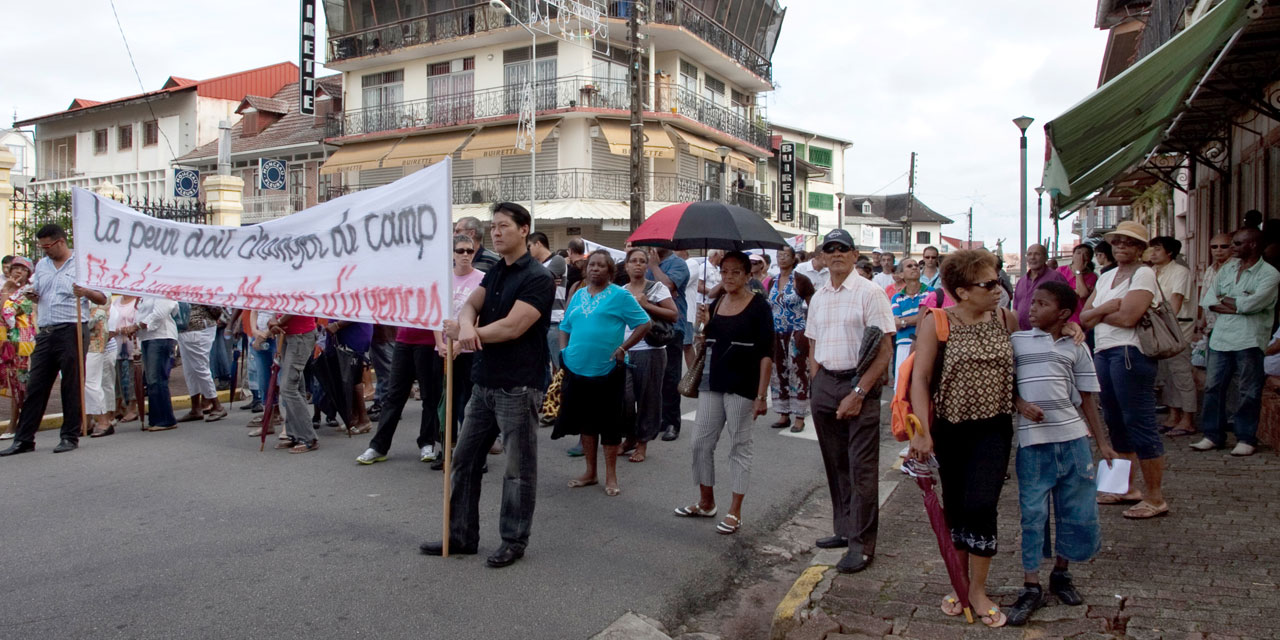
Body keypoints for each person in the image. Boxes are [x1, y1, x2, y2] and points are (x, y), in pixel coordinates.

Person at [425, 202, 553, 569]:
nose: (496, 233)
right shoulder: (495, 271)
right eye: (493, 226)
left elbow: (514, 327)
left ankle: (513, 540)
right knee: (463, 461)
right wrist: (466, 326)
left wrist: (470, 335)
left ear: (524, 230)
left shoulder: (538, 277)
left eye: (503, 226)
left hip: (518, 385)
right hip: (484, 382)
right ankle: (461, 535)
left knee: (517, 470)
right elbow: (469, 306)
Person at [908, 248, 1020, 628]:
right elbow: (921, 379)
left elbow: (1030, 353)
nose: (999, 288)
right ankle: (960, 584)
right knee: (956, 506)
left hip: (995, 427)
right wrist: (922, 433)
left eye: (999, 280)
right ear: (963, 291)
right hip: (951, 429)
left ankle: (978, 590)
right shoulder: (937, 322)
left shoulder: (1005, 318)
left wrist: (1068, 330)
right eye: (989, 284)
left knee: (982, 504)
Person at [1006, 281, 1118, 627]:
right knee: (1033, 514)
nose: (1032, 309)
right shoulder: (1017, 342)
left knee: (1075, 511)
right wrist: (1020, 404)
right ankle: (1031, 584)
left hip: (1073, 441)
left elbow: (1088, 398)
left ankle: (1061, 573)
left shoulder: (1076, 347)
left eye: (1042, 304)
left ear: (1064, 314)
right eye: (1033, 302)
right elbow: (1005, 384)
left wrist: (1102, 443)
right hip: (1033, 445)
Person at [805, 229, 896, 574]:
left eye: (843, 249)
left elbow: (884, 350)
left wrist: (859, 393)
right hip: (826, 382)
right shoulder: (819, 296)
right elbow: (813, 342)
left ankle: (862, 545)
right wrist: (816, 381)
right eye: (830, 249)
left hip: (858, 383)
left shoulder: (871, 293)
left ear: (855, 255)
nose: (836, 254)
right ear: (823, 257)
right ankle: (843, 530)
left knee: (861, 469)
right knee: (836, 463)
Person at [673, 251, 773, 536]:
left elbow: (767, 353)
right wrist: (703, 325)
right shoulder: (716, 303)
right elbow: (706, 341)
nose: (728, 277)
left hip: (743, 383)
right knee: (700, 442)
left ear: (748, 275)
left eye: (735, 272)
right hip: (712, 379)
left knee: (739, 445)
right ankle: (706, 502)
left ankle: (735, 511)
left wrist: (761, 396)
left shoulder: (759, 306)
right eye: (725, 271)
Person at [1079, 221, 1167, 519]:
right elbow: (1085, 317)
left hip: (1131, 352)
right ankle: (1122, 487)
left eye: (1128, 242)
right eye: (1117, 242)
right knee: (1115, 421)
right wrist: (1107, 309)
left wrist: (1098, 313)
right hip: (1105, 351)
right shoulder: (1106, 276)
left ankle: (1155, 496)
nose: (1121, 247)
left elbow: (1130, 317)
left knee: (1139, 421)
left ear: (1141, 248)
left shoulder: (1144, 274)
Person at [1, 225, 107, 456]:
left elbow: (102, 297)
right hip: (46, 330)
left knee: (71, 383)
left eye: (48, 246)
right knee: (36, 385)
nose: (45, 250)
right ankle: (24, 439)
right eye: (42, 247)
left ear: (60, 242)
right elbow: (39, 293)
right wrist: (33, 296)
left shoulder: (82, 264)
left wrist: (86, 292)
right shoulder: (42, 266)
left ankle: (69, 435)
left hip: (72, 328)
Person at [556, 250, 651, 496]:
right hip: (577, 369)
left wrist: (623, 348)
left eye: (601, 265)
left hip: (607, 370)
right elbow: (565, 326)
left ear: (610, 271)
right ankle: (590, 473)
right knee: (586, 423)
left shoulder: (620, 295)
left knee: (610, 425)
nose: (595, 269)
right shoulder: (578, 295)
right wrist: (563, 351)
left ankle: (611, 476)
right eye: (591, 265)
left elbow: (644, 323)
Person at [1192, 228, 1280, 457]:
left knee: (1248, 390)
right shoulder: (1228, 268)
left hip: (1249, 339)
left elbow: (1252, 304)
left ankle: (1246, 437)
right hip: (1220, 337)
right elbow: (1209, 300)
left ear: (1253, 245)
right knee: (1213, 387)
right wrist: (1237, 304)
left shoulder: (1269, 273)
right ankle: (1212, 434)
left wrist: (1232, 303)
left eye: (1237, 244)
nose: (1232, 248)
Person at [429, 234, 487, 470]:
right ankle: (446, 450)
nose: (465, 255)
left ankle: (475, 455)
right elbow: (435, 314)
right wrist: (441, 344)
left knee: (471, 404)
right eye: (460, 251)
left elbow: (480, 316)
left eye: (469, 251)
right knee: (445, 402)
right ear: (452, 253)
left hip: (469, 349)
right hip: (444, 349)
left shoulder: (481, 279)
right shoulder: (444, 279)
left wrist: (459, 345)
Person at [618, 248, 678, 463]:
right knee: (624, 398)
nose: (638, 264)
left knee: (648, 398)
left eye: (642, 261)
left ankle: (642, 442)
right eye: (633, 261)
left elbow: (673, 315)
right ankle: (630, 437)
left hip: (650, 350)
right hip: (625, 349)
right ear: (626, 266)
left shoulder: (657, 288)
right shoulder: (621, 291)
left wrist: (647, 305)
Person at [355, 318, 443, 464]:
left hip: (428, 341)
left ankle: (427, 442)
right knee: (393, 397)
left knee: (430, 396)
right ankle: (378, 446)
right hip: (403, 340)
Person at [1148, 237, 1197, 436]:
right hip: (1158, 331)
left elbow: (1176, 301)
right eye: (1152, 249)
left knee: (1181, 375)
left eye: (1157, 249)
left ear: (1169, 252)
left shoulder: (1180, 272)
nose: (1152, 253)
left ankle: (1188, 419)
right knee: (1166, 376)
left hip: (1177, 331)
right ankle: (1173, 415)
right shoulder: (1151, 272)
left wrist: (1166, 324)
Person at [767, 246, 815, 433]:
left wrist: (811, 330)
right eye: (779, 255)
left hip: (797, 331)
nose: (782, 258)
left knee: (798, 371)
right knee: (778, 371)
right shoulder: (773, 281)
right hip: (776, 332)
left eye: (785, 255)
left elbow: (813, 305)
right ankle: (783, 413)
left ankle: (800, 416)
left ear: (793, 258)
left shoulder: (801, 280)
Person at [651, 247, 690, 442]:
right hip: (650, 327)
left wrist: (654, 267)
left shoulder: (678, 264)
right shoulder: (646, 262)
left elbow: (667, 285)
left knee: (671, 376)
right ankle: (660, 418)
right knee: (655, 377)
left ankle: (672, 422)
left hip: (673, 328)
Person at [268, 312, 319, 453]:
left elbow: (297, 307)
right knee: (295, 387)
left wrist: (278, 322)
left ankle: (308, 437)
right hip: (287, 333)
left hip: (300, 334)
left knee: (288, 388)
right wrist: (274, 320)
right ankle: (295, 434)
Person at [129, 296, 180, 432]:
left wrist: (137, 326)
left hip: (161, 336)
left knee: (157, 378)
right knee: (151, 380)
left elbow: (160, 312)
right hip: (148, 337)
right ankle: (156, 418)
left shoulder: (162, 290)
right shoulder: (144, 294)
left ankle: (165, 419)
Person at [0, 257, 36, 441]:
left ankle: (16, 423)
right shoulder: (7, 290)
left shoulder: (28, 292)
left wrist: (6, 291)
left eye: (23, 269)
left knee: (20, 383)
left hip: (23, 343)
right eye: (15, 268)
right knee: (12, 381)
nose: (18, 272)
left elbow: (7, 315)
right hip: (7, 343)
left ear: (28, 274)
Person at [176, 305, 227, 423]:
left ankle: (217, 406)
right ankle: (195, 408)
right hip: (186, 329)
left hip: (199, 328)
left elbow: (215, 306)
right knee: (190, 371)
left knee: (200, 368)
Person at [890, 258, 932, 375]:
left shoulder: (932, 293)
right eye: (909, 266)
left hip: (927, 344)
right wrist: (918, 318)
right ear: (901, 274)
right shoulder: (896, 297)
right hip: (903, 345)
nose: (914, 267)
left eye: (916, 265)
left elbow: (929, 317)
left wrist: (903, 321)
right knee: (902, 382)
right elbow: (895, 324)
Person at [84, 297, 119, 437]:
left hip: (94, 343)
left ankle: (104, 421)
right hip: (75, 342)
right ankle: (86, 421)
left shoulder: (99, 293)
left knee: (91, 382)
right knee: (80, 383)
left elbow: (99, 314)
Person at [1013, 244, 1068, 331]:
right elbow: (1015, 309)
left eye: (1037, 254)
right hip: (1023, 333)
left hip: (1047, 333)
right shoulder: (1021, 281)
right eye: (1029, 254)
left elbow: (1067, 305)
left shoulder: (1056, 278)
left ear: (1046, 257)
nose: (1032, 257)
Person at [1057, 244, 1098, 324]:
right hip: (1060, 318)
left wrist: (1078, 271)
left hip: (1080, 319)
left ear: (1089, 259)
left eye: (1085, 254)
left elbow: (1082, 293)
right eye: (1078, 253)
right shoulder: (1061, 270)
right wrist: (1076, 291)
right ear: (1073, 256)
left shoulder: (1092, 276)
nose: (1081, 257)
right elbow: (1056, 293)